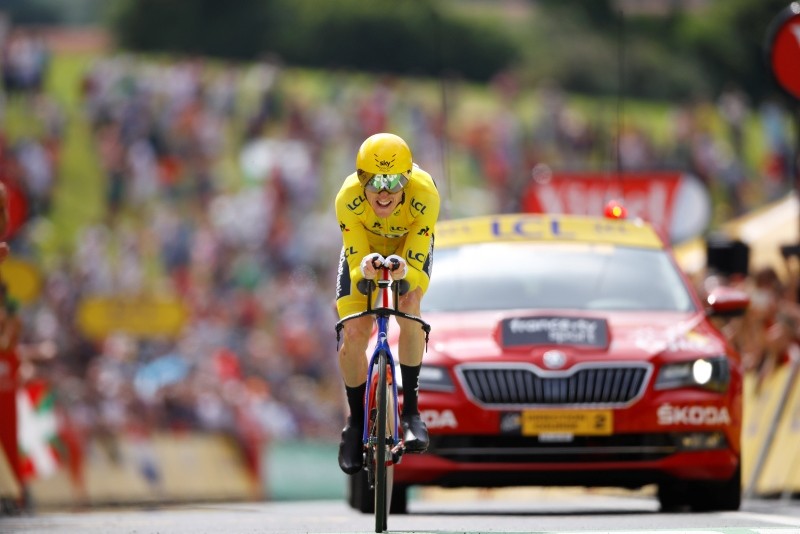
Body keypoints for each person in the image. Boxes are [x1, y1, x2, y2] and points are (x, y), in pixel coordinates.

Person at [334, 132, 440, 474]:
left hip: (408, 247)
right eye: (375, 181)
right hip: (364, 249)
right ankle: (354, 425)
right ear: (361, 179)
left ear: (406, 180)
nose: (383, 192)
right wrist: (363, 267)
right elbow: (355, 254)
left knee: (409, 307)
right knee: (353, 334)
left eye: (393, 181)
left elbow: (418, 250)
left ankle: (410, 411)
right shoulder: (347, 199)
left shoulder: (425, 194)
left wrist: (404, 271)